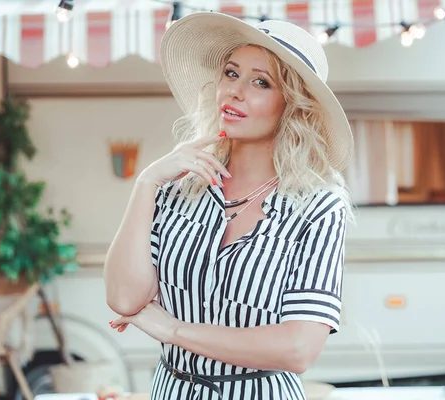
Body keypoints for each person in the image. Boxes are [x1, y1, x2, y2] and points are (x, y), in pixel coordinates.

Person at [104, 11, 354, 400]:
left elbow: (299, 348)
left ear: (292, 106)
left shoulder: (319, 206)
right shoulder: (180, 187)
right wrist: (146, 182)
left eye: (261, 82)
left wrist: (171, 330)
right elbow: (123, 299)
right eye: (231, 73)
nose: (235, 91)